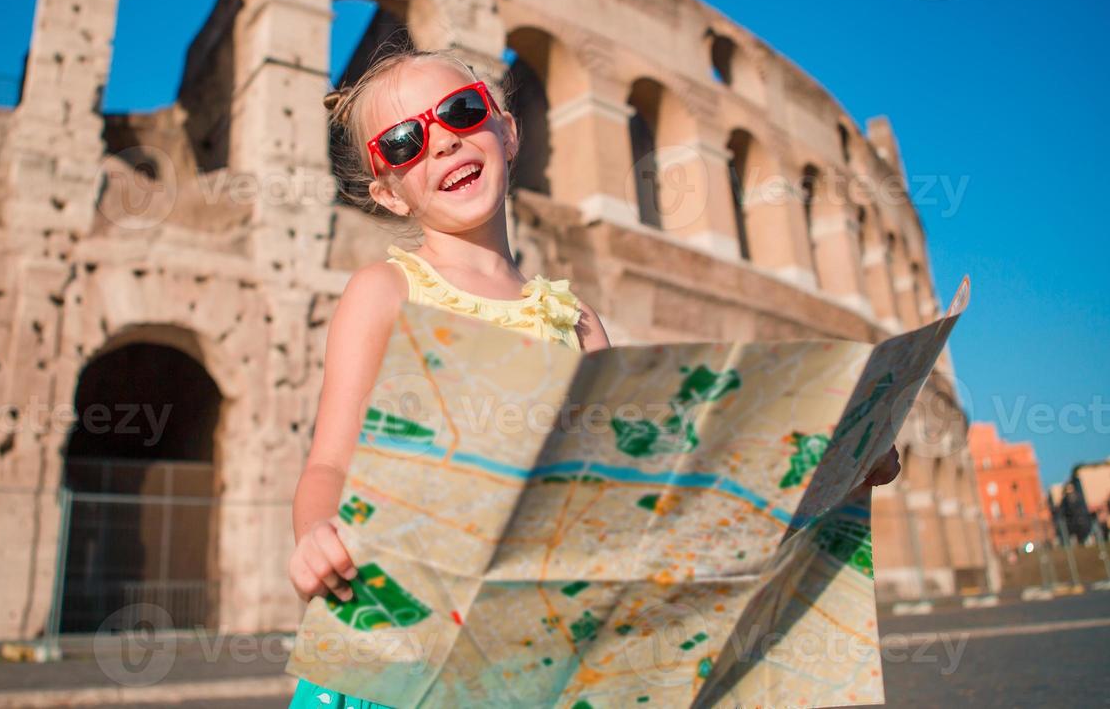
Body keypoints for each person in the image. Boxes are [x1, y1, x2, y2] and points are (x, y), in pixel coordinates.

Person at [286, 48, 900, 708]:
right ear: (385, 190)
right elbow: (329, 462)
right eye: (404, 142)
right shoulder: (382, 292)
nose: (440, 144)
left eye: (460, 112)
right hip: (411, 644)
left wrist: (832, 465)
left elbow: (644, 493)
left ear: (506, 129)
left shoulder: (576, 322)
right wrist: (316, 533)